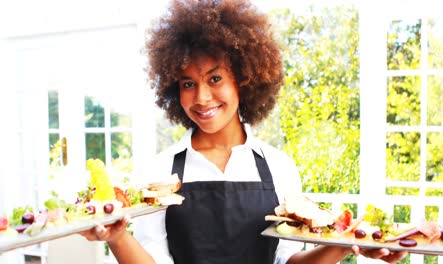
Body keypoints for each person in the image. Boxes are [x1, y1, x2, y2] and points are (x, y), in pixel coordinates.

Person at [81, 0, 408, 263]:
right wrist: (118, 236)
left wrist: (343, 242)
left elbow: (287, 260)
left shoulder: (278, 166)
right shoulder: (160, 171)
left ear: (244, 79)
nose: (201, 97)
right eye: (188, 84)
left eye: (214, 78)